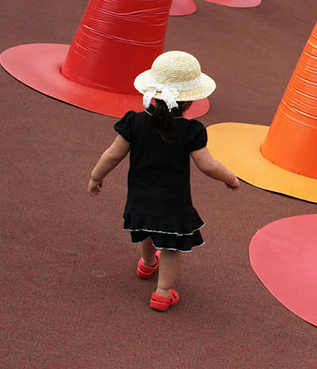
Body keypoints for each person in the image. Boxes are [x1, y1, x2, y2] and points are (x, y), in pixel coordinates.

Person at [87, 51, 239, 312]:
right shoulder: (191, 131)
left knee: (146, 228)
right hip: (172, 202)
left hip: (140, 195)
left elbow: (113, 154)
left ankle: (146, 264)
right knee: (170, 244)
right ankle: (162, 293)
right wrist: (231, 178)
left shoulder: (134, 122)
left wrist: (95, 176)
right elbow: (207, 165)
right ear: (189, 102)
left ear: (153, 92)